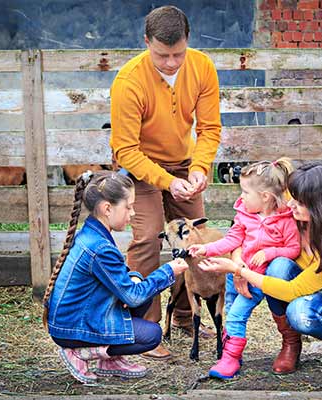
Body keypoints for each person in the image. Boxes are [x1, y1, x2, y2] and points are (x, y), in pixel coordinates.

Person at [109, 5, 221, 359]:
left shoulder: (202, 66)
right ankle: (146, 328)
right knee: (146, 238)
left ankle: (186, 317)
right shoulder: (129, 81)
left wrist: (200, 168)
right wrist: (166, 181)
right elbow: (125, 150)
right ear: (147, 43)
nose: (172, 63)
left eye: (178, 54)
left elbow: (209, 129)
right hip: (140, 168)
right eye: (162, 55)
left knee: (194, 238)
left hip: (185, 164)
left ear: (188, 41)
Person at [198, 161, 322, 377]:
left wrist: (243, 272)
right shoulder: (295, 214)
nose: (291, 204)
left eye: (299, 202)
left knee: (299, 313)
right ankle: (291, 342)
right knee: (278, 266)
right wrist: (240, 262)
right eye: (293, 198)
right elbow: (246, 230)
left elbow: (293, 291)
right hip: (304, 290)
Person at [42, 170, 188, 384]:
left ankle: (110, 360)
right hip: (71, 328)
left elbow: (122, 284)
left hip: (77, 317)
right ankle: (81, 352)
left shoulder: (93, 233)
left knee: (141, 286)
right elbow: (133, 298)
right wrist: (168, 272)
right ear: (107, 208)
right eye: (128, 207)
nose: (133, 213)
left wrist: (137, 278)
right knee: (151, 334)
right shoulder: (99, 246)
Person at [187, 158, 301, 379]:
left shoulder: (285, 221)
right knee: (231, 312)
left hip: (258, 279)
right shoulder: (244, 216)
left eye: (246, 192)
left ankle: (229, 360)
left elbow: (293, 249)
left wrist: (270, 253)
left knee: (236, 316)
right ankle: (232, 352)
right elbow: (230, 241)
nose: (241, 197)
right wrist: (205, 249)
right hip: (235, 275)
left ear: (265, 197)